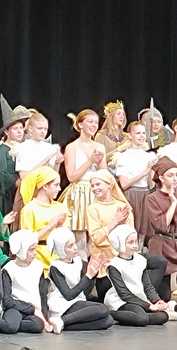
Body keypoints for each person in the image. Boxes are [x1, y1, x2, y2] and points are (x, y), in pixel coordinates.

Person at [144, 156, 177, 300]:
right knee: (163, 294)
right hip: (162, 245)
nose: (175, 179)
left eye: (176, 175)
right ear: (161, 178)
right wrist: (173, 203)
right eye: (170, 175)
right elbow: (161, 225)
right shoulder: (152, 198)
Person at [45, 227, 115, 332]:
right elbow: (68, 295)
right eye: (70, 246)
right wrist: (88, 276)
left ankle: (61, 324)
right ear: (61, 249)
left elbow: (85, 292)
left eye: (74, 243)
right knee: (103, 309)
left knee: (108, 320)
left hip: (78, 301)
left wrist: (94, 273)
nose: (75, 247)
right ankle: (62, 320)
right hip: (63, 304)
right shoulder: (56, 267)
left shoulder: (78, 261)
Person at [104, 225, 175, 326]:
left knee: (163, 316)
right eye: (130, 242)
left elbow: (147, 286)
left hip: (139, 299)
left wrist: (157, 301)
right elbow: (124, 294)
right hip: (122, 301)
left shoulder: (140, 260)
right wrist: (149, 306)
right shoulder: (114, 266)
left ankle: (135, 317)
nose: (135, 245)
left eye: (136, 242)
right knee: (141, 318)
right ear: (120, 243)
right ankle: (111, 314)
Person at [61, 109, 108, 256]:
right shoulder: (71, 147)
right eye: (90, 122)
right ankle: (81, 266)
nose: (94, 125)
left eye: (96, 122)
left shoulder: (100, 147)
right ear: (80, 124)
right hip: (79, 193)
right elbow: (71, 177)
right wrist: (90, 161)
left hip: (96, 193)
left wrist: (99, 163)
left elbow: (104, 174)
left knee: (96, 236)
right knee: (79, 238)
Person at [0, 230, 54, 334]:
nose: (35, 252)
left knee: (38, 325)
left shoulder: (38, 266)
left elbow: (42, 294)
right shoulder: (8, 269)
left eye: (35, 249)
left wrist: (45, 319)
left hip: (33, 311)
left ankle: (17, 324)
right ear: (21, 250)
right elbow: (7, 300)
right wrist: (32, 309)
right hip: (15, 308)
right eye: (31, 250)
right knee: (11, 327)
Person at [84, 169, 134, 281]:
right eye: (92, 186)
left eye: (98, 184)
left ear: (109, 184)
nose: (95, 188)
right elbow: (97, 238)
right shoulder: (92, 209)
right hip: (103, 263)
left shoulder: (123, 207)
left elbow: (130, 235)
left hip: (123, 260)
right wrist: (115, 222)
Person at [17, 166, 70, 270]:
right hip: (38, 258)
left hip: (58, 257)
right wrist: (50, 226)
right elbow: (28, 240)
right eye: (56, 185)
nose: (59, 189)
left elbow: (66, 235)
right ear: (45, 186)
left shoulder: (60, 207)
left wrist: (60, 227)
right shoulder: (29, 209)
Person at [111, 121, 155, 239]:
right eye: (138, 133)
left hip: (145, 195)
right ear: (130, 135)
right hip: (130, 195)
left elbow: (151, 185)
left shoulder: (149, 156)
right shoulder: (123, 156)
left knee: (142, 232)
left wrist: (151, 171)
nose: (141, 136)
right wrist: (143, 173)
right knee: (129, 231)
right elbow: (124, 184)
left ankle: (140, 249)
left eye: (143, 133)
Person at [0, 96, 31, 223]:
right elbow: (5, 179)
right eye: (15, 129)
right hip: (9, 198)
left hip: (25, 194)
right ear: (7, 132)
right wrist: (26, 180)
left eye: (21, 128)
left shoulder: (24, 148)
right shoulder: (2, 151)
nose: (19, 132)